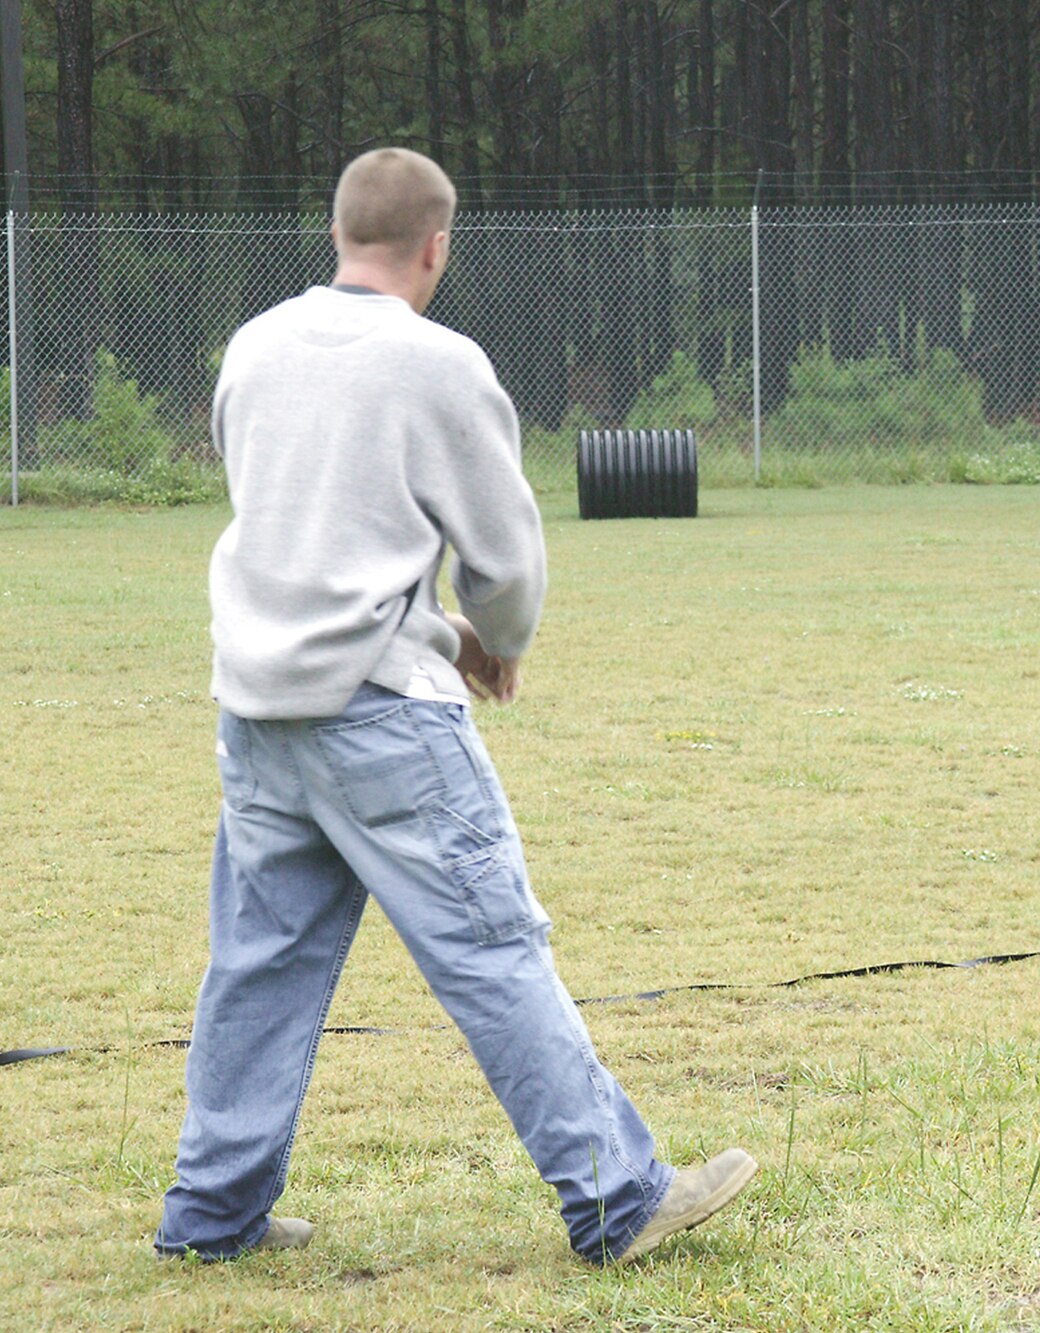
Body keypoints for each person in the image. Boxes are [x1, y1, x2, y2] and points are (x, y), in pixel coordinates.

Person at [155, 147, 755, 1265]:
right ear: (436, 247)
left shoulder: (253, 346)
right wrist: (494, 641)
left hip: (256, 706)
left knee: (259, 963)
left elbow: (276, 501)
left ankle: (210, 1216)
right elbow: (503, 549)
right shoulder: (437, 363)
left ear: (336, 232)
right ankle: (619, 1195)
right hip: (381, 708)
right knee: (492, 947)